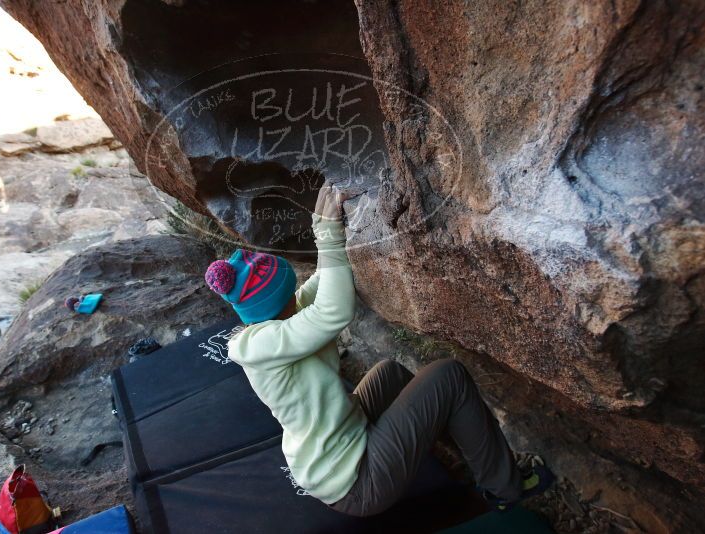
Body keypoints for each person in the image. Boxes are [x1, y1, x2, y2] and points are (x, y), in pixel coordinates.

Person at [203, 183, 553, 517]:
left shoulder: (278, 320)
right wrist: (326, 234)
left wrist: (323, 222)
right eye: (288, 290)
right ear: (273, 304)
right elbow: (333, 311)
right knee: (449, 376)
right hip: (355, 482)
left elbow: (324, 281)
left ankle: (451, 450)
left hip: (342, 444)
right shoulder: (263, 344)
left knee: (391, 374)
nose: (296, 295)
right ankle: (506, 488)